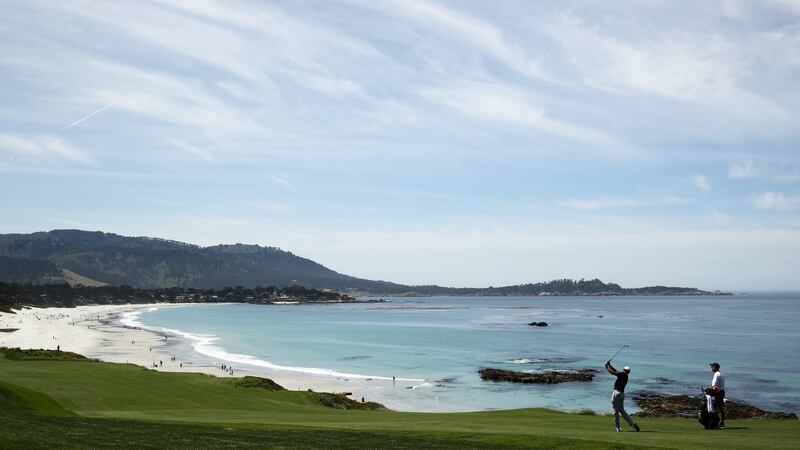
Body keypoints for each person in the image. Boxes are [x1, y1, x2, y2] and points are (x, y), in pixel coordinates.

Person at [604, 360, 640, 432]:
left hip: (616, 394)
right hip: (622, 394)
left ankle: (618, 428)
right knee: (622, 411)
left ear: (624, 370)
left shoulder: (622, 374)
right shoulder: (625, 375)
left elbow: (613, 373)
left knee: (615, 411)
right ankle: (632, 423)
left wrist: (606, 367)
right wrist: (609, 365)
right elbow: (616, 371)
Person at [709, 362, 726, 428]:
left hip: (717, 393)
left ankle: (716, 423)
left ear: (715, 368)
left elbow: (714, 386)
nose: (711, 368)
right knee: (721, 408)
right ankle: (722, 423)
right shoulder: (720, 374)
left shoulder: (716, 374)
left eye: (712, 367)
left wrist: (709, 389)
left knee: (714, 408)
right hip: (721, 392)